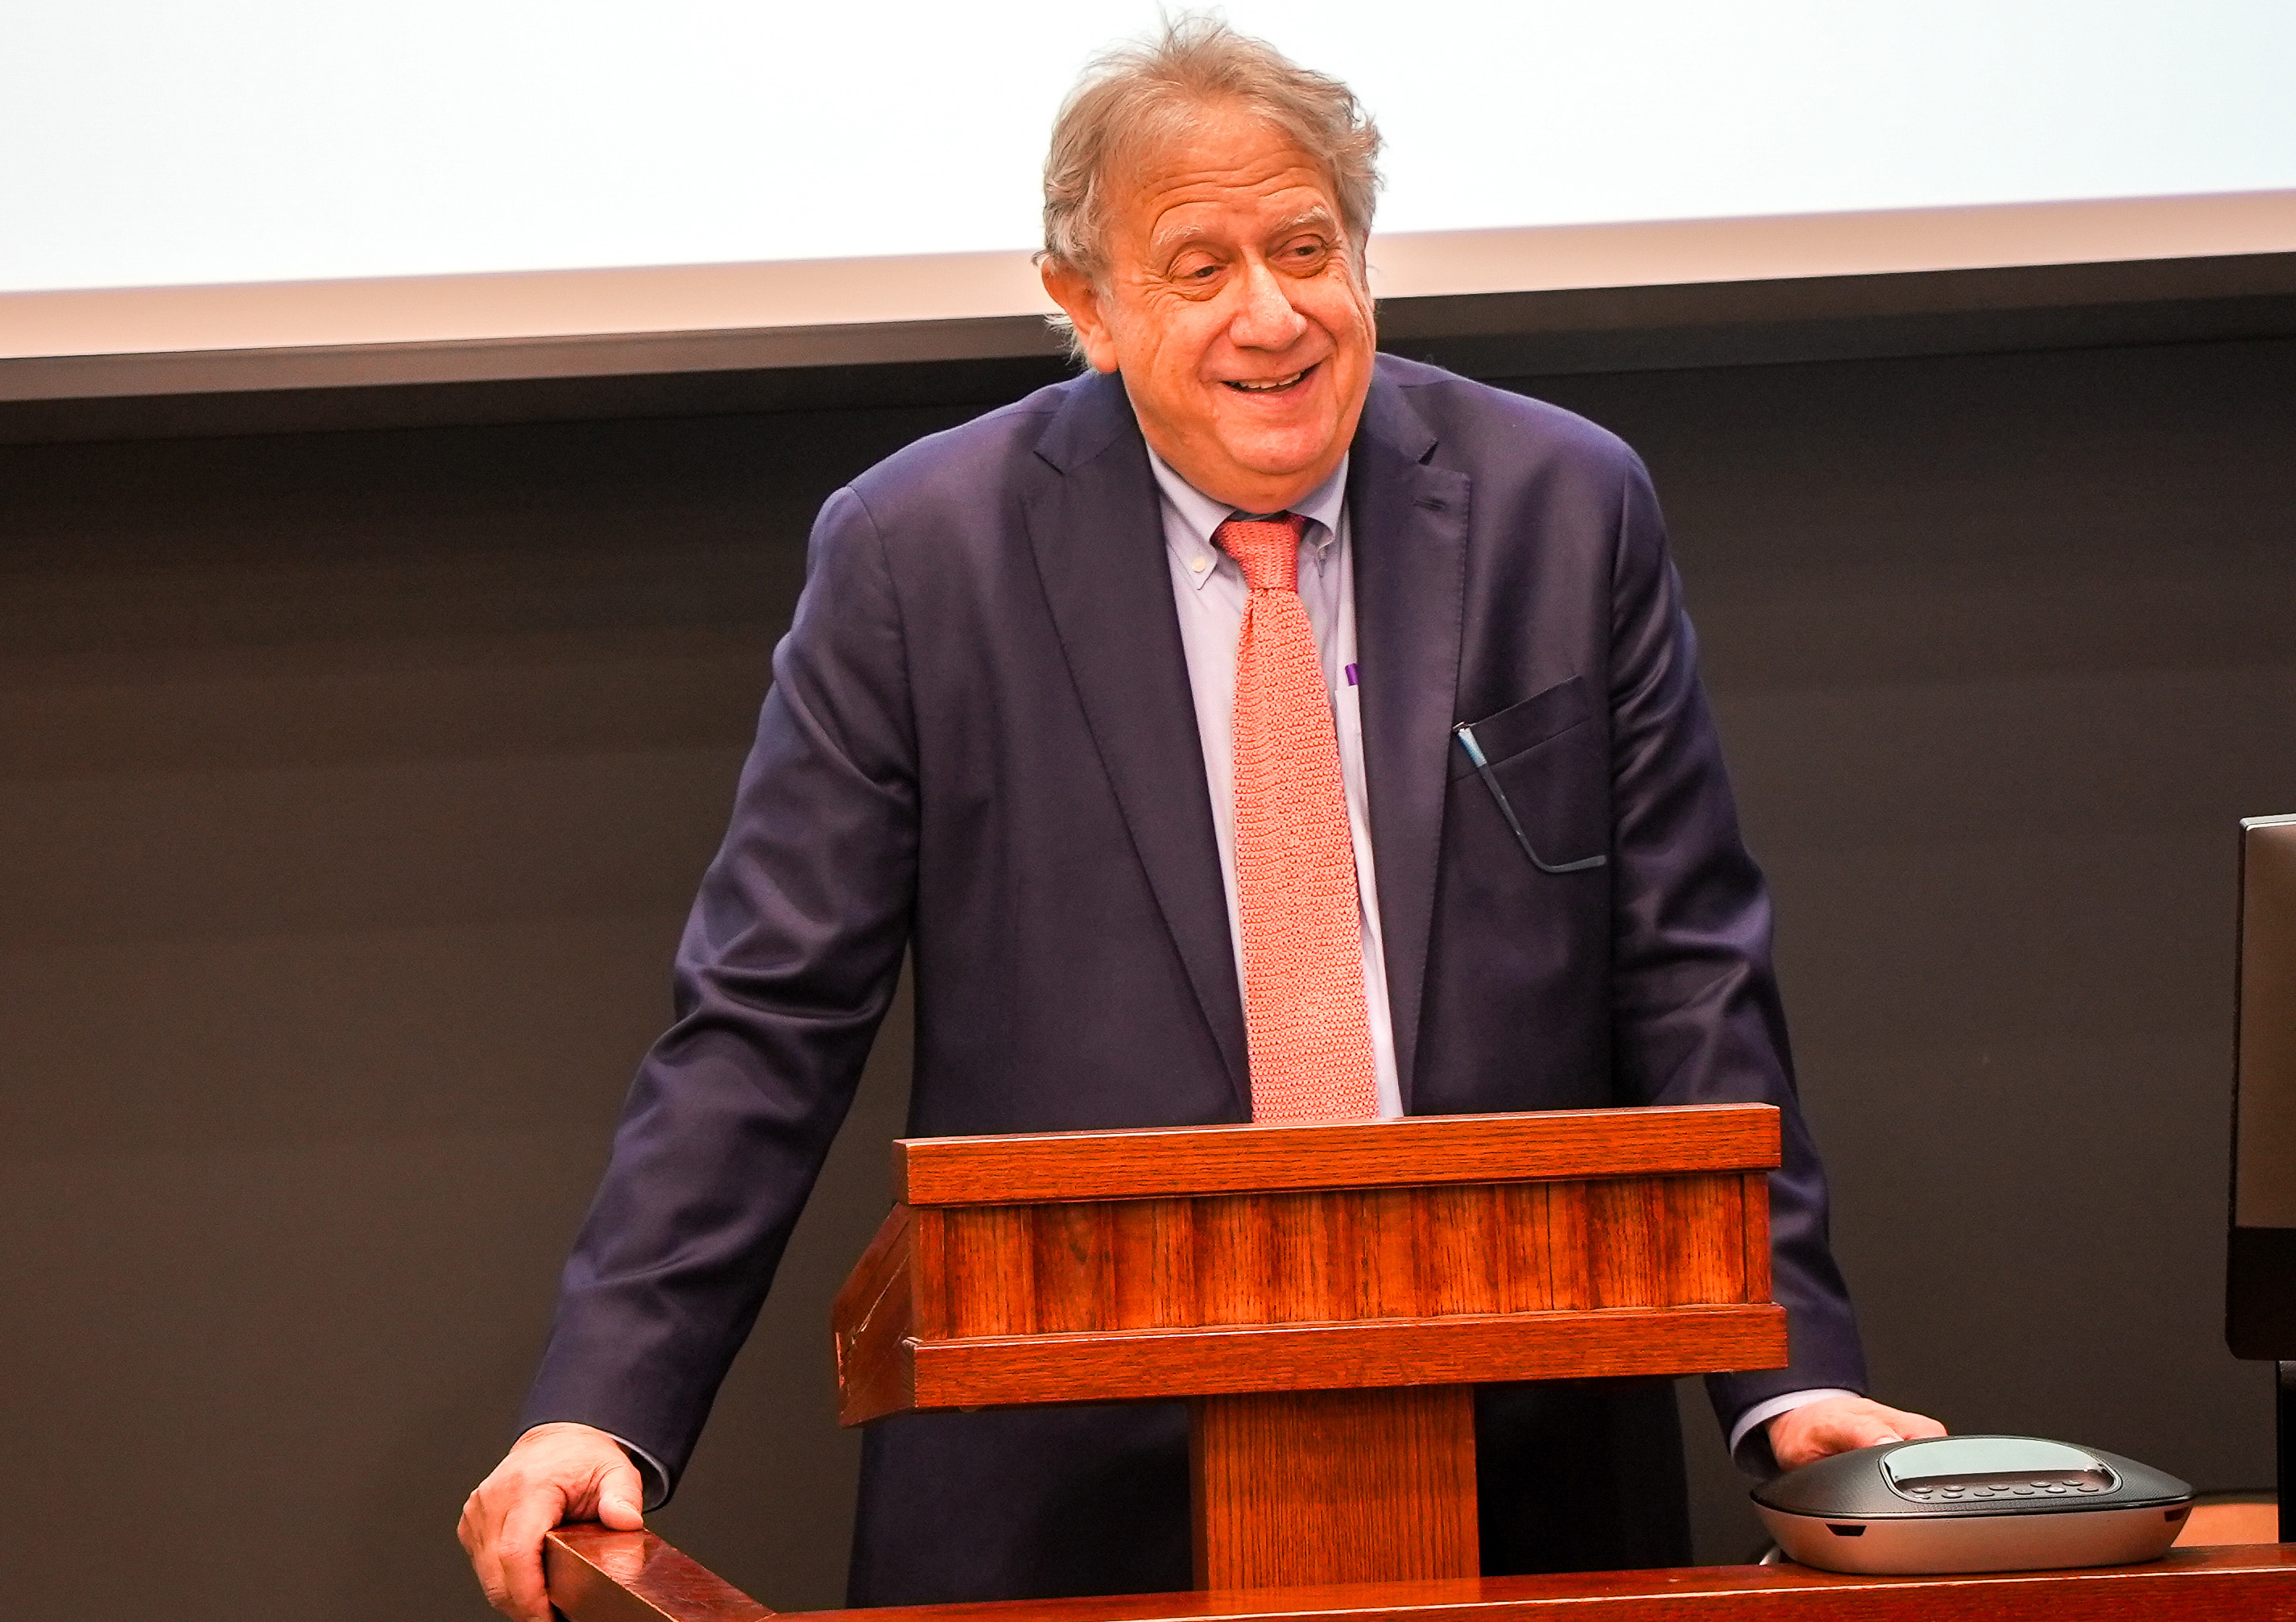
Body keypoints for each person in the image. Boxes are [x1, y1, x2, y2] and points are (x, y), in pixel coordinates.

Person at [457, 19, 1941, 1622]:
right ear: (1082, 304)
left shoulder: (1562, 508)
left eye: (1308, 246)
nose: (1274, 312)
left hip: (1532, 1474)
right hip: (1067, 1496)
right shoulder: (917, 556)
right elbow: (766, 1017)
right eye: (1200, 263)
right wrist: (602, 1396)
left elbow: (1692, 980)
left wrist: (1787, 1380)